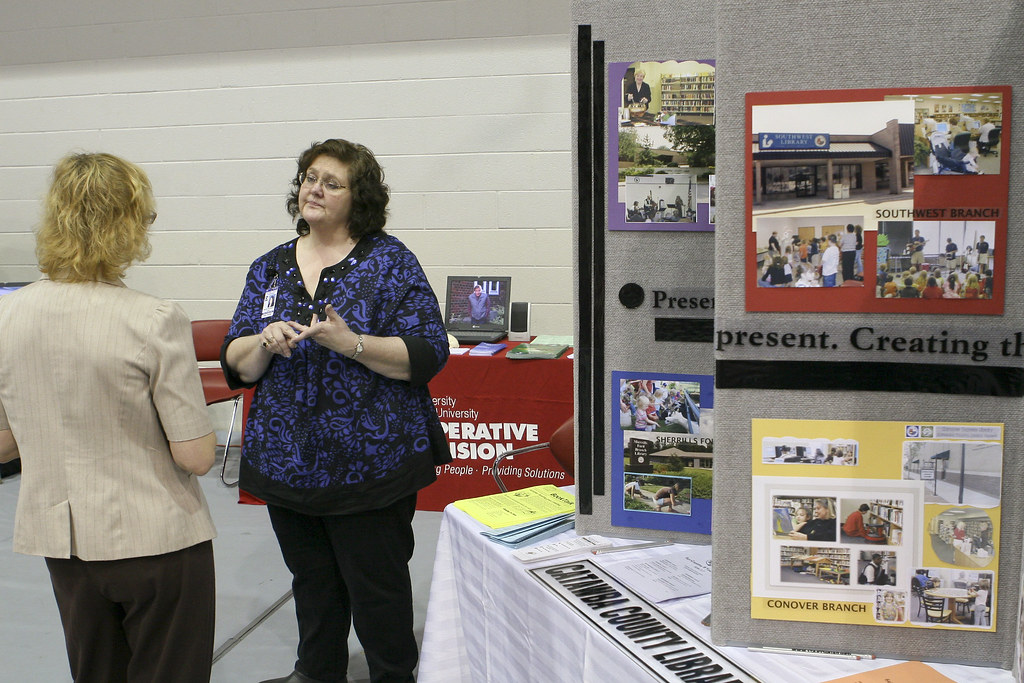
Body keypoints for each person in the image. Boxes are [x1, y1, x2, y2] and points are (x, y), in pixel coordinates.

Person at [222, 139, 451, 683]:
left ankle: (394, 676)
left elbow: (427, 354)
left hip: (371, 461)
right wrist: (262, 340)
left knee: (377, 587)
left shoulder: (389, 262)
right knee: (312, 581)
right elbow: (236, 361)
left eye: (331, 182)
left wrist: (352, 343)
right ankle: (317, 673)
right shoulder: (269, 267)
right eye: (308, 177)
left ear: (359, 197)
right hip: (287, 459)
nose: (314, 189)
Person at [0, 153, 218, 682]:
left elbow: (4, 443)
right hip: (156, 540)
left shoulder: (9, 314)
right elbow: (197, 455)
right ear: (129, 224)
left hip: (65, 543)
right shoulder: (155, 319)